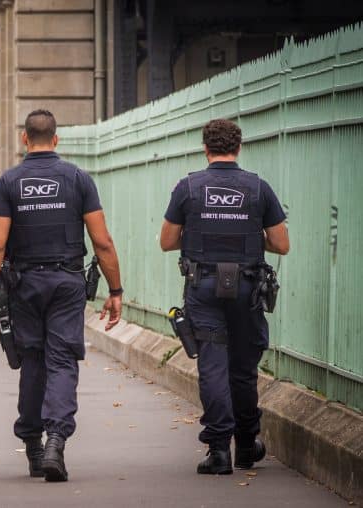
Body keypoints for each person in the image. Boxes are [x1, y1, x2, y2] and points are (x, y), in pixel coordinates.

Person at [0, 110, 123, 482]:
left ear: (25, 139)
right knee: (62, 361)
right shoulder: (78, 180)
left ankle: (33, 444)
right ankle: (56, 439)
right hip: (67, 282)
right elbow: (102, 241)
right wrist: (115, 290)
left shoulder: (9, 182)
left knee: (33, 360)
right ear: (56, 139)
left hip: (24, 284)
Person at [160, 118, 289, 475]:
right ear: (239, 147)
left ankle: (218, 451)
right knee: (244, 369)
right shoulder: (258, 188)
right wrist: (246, 236)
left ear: (205, 148)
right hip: (247, 288)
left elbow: (167, 241)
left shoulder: (188, 188)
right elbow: (281, 244)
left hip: (203, 287)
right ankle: (247, 445)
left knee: (213, 365)